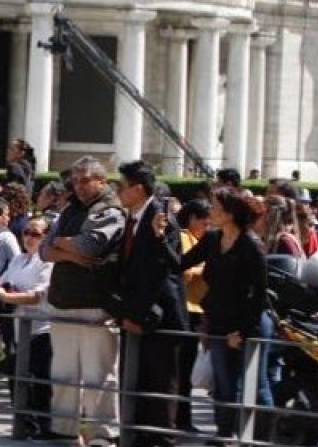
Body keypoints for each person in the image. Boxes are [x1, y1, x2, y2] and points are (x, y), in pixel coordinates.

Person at [39, 156, 125, 446]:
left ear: (102, 181)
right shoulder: (70, 209)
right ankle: (63, 430)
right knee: (63, 372)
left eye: (86, 180)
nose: (79, 186)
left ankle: (102, 435)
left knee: (98, 375)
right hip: (64, 299)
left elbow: (91, 246)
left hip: (96, 301)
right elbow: (43, 249)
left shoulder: (111, 209)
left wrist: (61, 243)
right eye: (75, 181)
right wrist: (71, 251)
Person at [180, 187, 269, 444]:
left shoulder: (252, 246)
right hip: (218, 322)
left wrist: (242, 331)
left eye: (216, 207)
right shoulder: (211, 239)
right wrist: (158, 238)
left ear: (230, 213)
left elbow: (259, 294)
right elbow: (180, 262)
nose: (211, 211)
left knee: (255, 388)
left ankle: (258, 439)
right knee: (223, 385)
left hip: (245, 325)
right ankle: (223, 436)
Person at [114, 160, 186, 447]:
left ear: (138, 189)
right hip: (134, 314)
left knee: (160, 380)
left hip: (160, 318)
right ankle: (136, 435)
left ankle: (161, 439)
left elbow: (161, 272)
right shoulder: (132, 217)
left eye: (121, 187)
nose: (117, 192)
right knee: (136, 378)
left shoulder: (160, 217)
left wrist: (138, 315)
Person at [0, 215, 54, 440]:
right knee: (18, 377)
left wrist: (7, 295)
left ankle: (41, 426)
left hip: (42, 329)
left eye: (35, 234)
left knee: (36, 379)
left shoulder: (48, 262)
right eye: (26, 232)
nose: (28, 237)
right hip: (18, 327)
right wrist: (0, 292)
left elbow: (37, 295)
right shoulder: (17, 259)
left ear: (46, 237)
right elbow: (0, 285)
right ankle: (24, 423)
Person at [174, 199, 210, 435]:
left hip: (198, 309)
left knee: (186, 368)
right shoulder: (184, 238)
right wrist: (205, 268)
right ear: (192, 219)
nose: (207, 227)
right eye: (204, 222)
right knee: (182, 368)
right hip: (186, 309)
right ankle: (179, 418)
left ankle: (183, 417)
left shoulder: (199, 240)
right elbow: (184, 270)